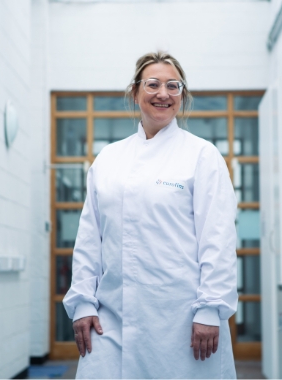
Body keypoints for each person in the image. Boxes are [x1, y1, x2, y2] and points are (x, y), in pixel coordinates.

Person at [61, 51, 239, 378]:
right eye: (153, 84)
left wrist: (211, 308)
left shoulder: (202, 155)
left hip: (181, 318)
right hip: (111, 316)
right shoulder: (109, 159)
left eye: (173, 86)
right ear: (135, 92)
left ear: (182, 95)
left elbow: (218, 239)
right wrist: (83, 302)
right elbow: (89, 238)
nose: (163, 94)